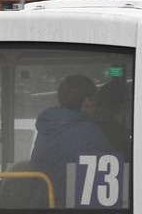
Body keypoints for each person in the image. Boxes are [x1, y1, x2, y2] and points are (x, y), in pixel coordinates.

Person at [29, 74, 119, 207]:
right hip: (73, 212)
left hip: (41, 208)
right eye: (95, 100)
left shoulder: (47, 130)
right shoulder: (91, 133)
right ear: (87, 101)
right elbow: (111, 180)